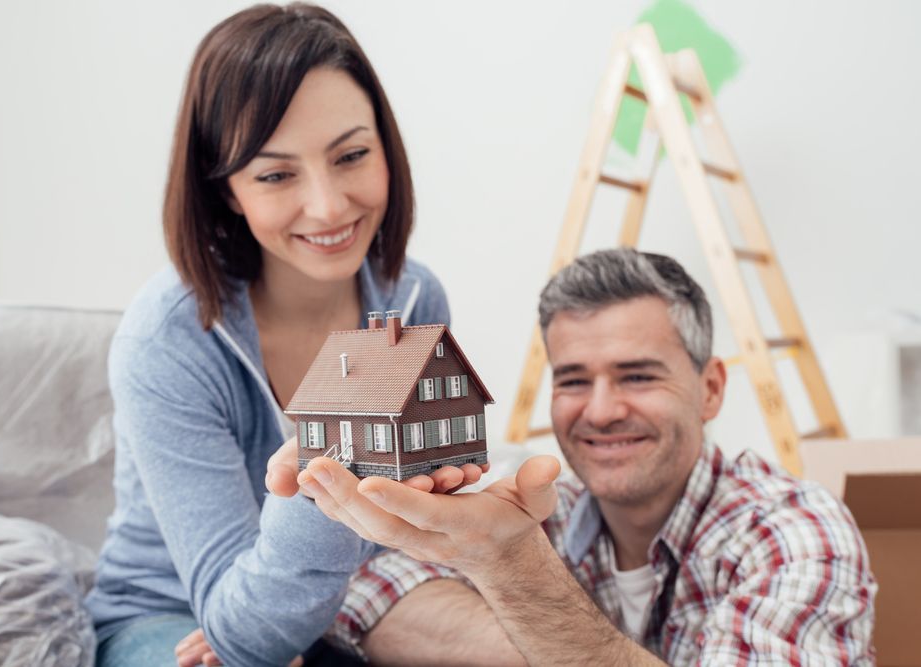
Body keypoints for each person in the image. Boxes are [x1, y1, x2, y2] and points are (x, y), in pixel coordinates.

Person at [83, 4, 485, 667]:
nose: (328, 206)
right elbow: (240, 631)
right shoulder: (167, 337)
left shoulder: (413, 297)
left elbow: (408, 529)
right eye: (275, 174)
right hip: (170, 613)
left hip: (341, 597)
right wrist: (330, 476)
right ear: (228, 189)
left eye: (352, 155)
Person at [280, 248, 877, 665]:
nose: (600, 411)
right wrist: (542, 641)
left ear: (712, 388)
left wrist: (518, 579)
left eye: (637, 376)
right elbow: (365, 599)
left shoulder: (795, 531)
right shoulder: (551, 511)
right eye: (572, 380)